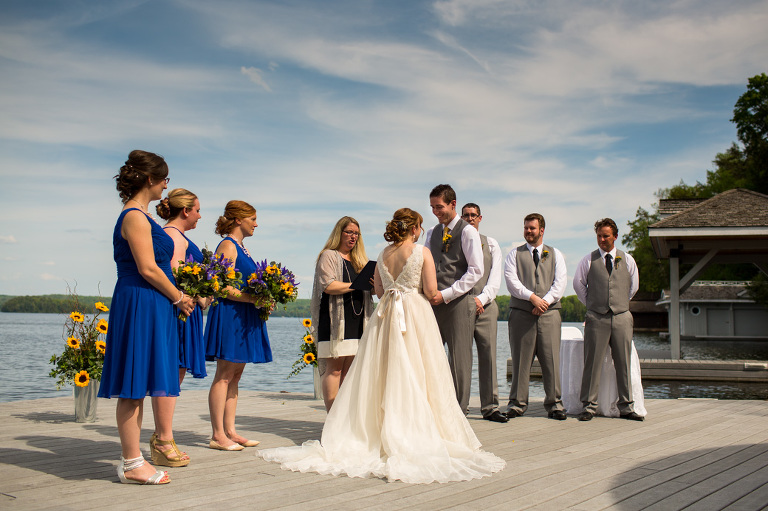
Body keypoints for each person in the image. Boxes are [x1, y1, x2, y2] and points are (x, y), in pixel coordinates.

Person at [259, 208, 505, 483]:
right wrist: (433, 295)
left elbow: (377, 291)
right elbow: (431, 291)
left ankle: (373, 430)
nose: (421, 232)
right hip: (414, 313)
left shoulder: (383, 255)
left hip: (386, 315)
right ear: (414, 228)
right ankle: (414, 430)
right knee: (419, 369)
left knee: (382, 372)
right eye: (420, 227)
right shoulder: (422, 252)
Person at [98, 150, 196, 485]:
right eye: (165, 178)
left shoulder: (143, 216)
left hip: (152, 302)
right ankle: (130, 463)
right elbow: (148, 267)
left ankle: (136, 459)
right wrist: (180, 296)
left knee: (142, 381)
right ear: (151, 180)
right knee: (133, 383)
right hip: (139, 301)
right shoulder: (134, 217)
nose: (167, 185)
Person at [204, 200, 273, 450]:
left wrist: (264, 298)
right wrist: (252, 298)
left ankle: (230, 430)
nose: (256, 223)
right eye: (252, 218)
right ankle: (217, 435)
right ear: (238, 220)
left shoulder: (242, 248)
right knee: (224, 375)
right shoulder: (227, 245)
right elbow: (219, 286)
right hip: (231, 314)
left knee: (236, 375)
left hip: (245, 314)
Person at [573, 218, 643, 421]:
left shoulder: (627, 259)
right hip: (596, 317)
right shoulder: (588, 260)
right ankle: (589, 406)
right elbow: (579, 286)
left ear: (615, 236)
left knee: (623, 362)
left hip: (622, 317)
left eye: (606, 236)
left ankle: (627, 406)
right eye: (599, 236)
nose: (602, 239)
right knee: (592, 362)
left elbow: (633, 287)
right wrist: (594, 305)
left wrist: (619, 303)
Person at [425, 184, 483, 415]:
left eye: (439, 207)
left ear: (452, 204)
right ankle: (435, 407)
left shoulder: (468, 231)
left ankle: (460, 410)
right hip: (432, 304)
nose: (435, 211)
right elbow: (426, 265)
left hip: (458, 303)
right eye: (432, 207)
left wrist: (447, 294)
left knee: (460, 360)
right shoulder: (431, 233)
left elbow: (476, 271)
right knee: (431, 356)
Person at [504, 213, 567, 420]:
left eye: (532, 228)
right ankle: (517, 404)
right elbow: (512, 282)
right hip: (522, 314)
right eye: (526, 228)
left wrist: (544, 302)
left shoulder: (555, 254)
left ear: (542, 230)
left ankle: (555, 404)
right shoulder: (514, 254)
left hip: (549, 315)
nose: (528, 231)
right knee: (521, 361)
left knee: (551, 360)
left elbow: (560, 283)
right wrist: (532, 298)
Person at [310, 217, 374, 411]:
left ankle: (344, 420)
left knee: (349, 372)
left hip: (358, 319)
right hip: (335, 320)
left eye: (356, 233)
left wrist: (374, 284)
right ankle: (332, 419)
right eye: (349, 232)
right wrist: (356, 285)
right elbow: (328, 285)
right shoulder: (329, 255)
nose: (353, 237)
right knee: (335, 369)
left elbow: (371, 291)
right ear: (339, 233)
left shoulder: (359, 260)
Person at [157, 188, 211, 384]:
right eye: (197, 210)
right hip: (180, 311)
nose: (200, 215)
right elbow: (176, 274)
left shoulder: (175, 234)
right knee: (174, 371)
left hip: (184, 307)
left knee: (175, 372)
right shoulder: (175, 236)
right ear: (186, 211)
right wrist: (201, 296)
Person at [460, 203, 507, 423]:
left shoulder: (491, 244)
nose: (470, 219)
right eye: (466, 215)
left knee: (488, 356)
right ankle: (459, 408)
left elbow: (495, 278)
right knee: (461, 359)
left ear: (480, 218)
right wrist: (469, 300)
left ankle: (490, 407)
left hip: (486, 307)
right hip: (460, 306)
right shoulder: (453, 242)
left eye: (473, 215)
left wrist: (481, 299)